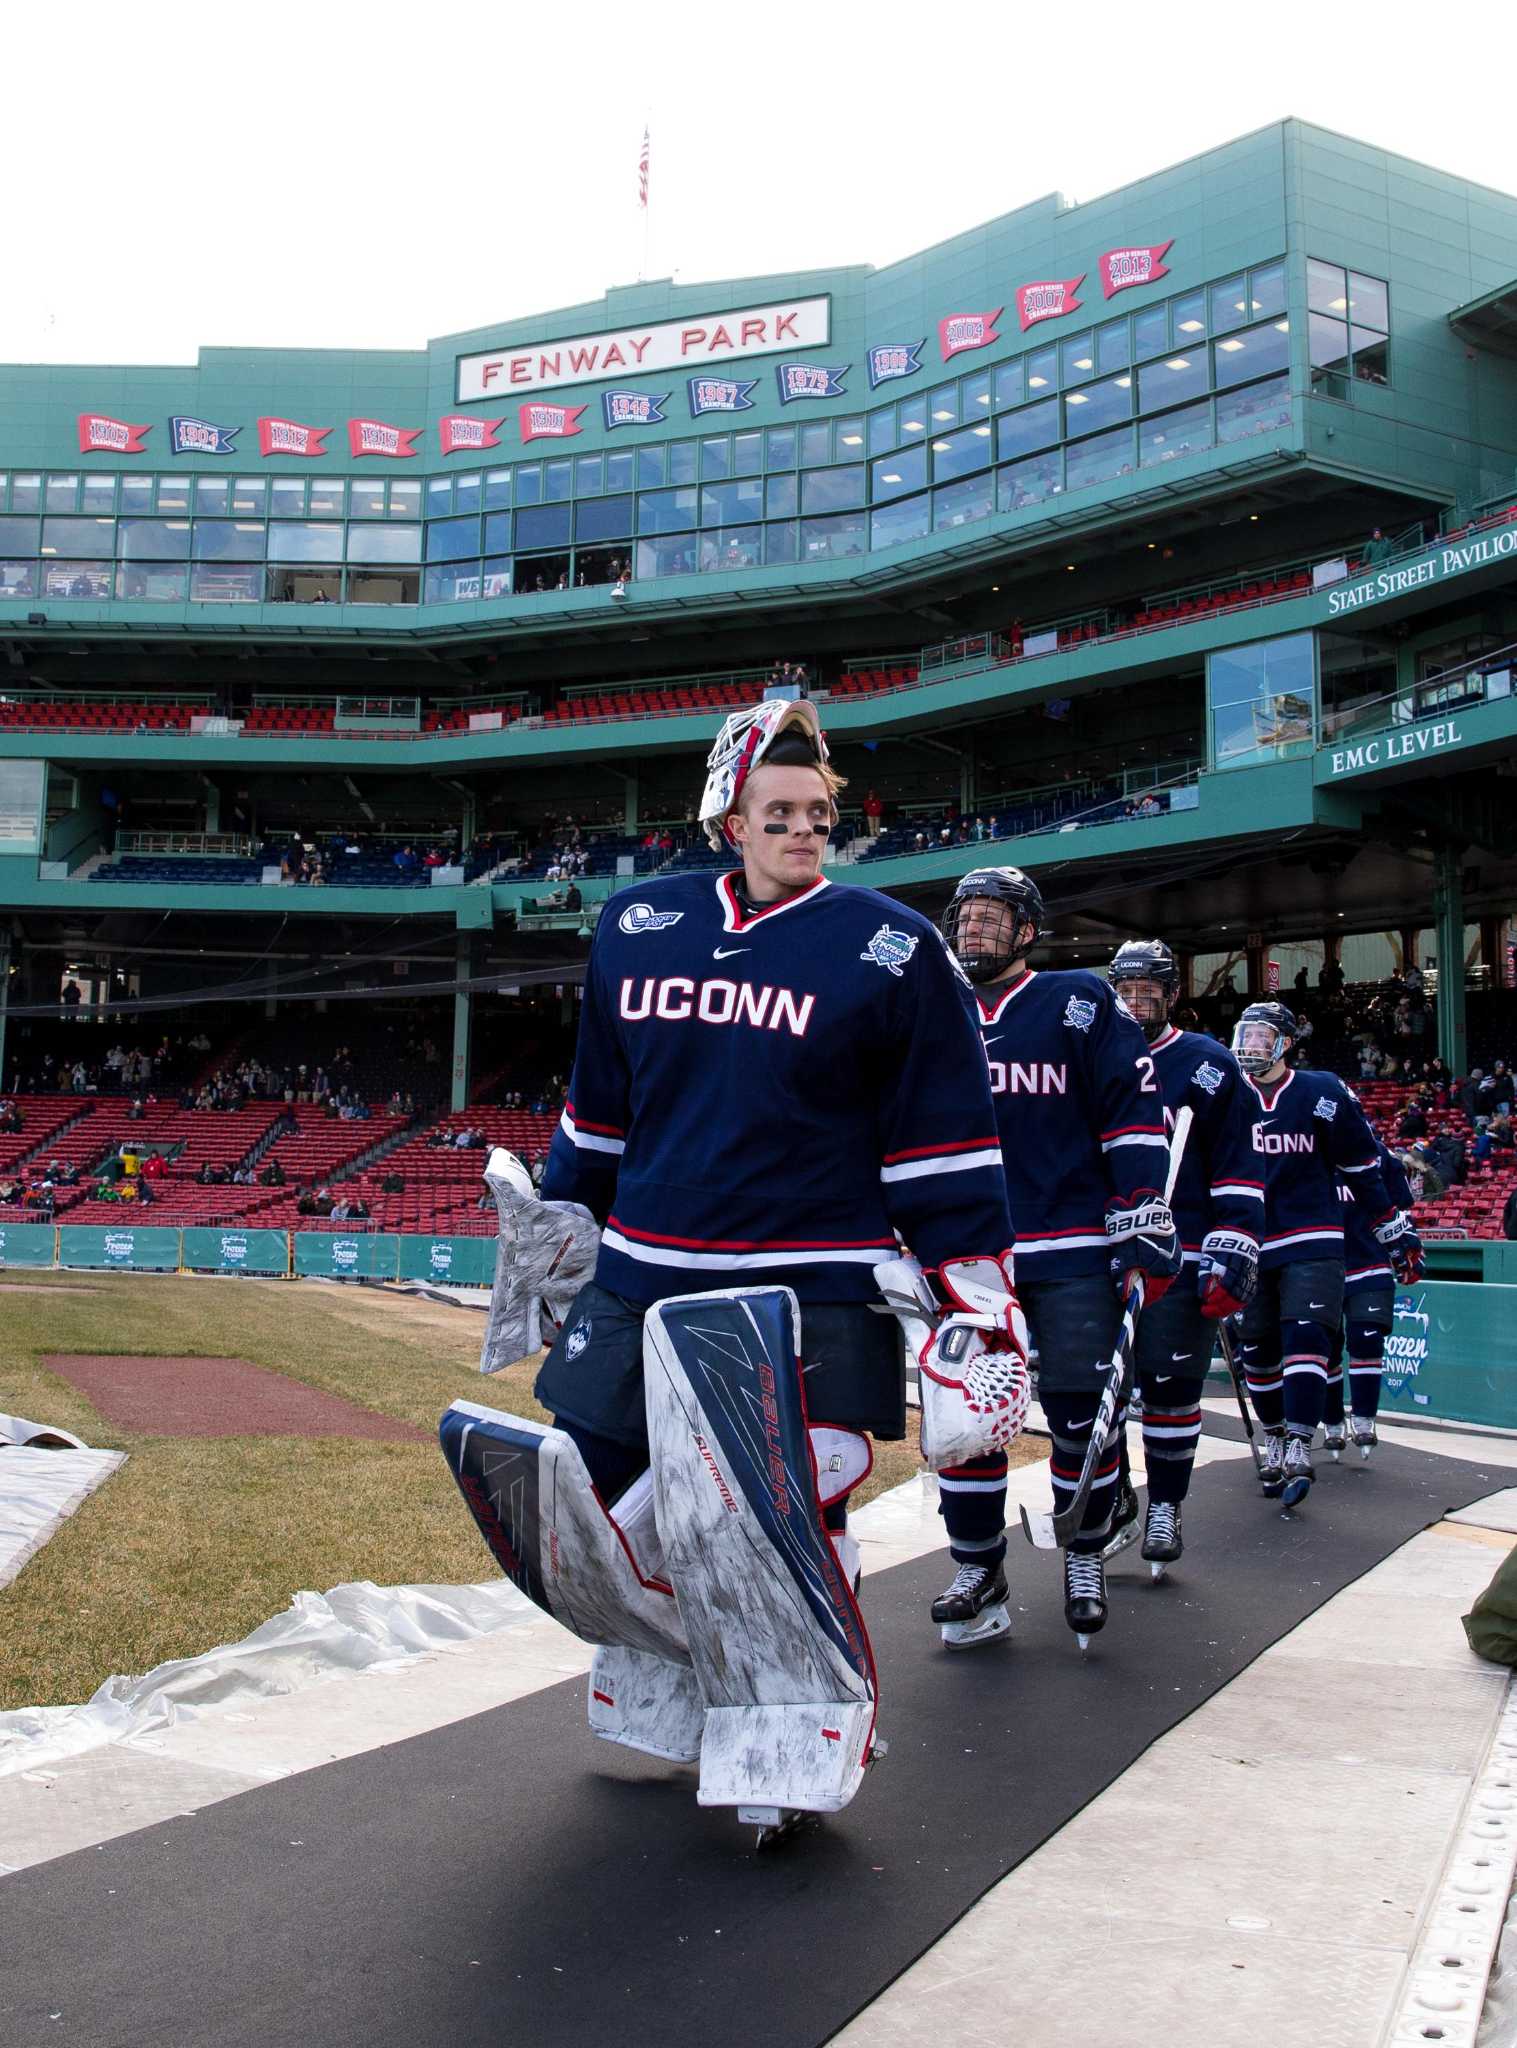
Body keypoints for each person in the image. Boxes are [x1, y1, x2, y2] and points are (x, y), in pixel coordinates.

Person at [444, 695, 1020, 1835]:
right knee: (578, 1492)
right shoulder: (635, 925)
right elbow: (601, 1115)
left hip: (809, 1281)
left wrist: (977, 1307)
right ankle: (667, 1676)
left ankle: (793, 1727)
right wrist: (558, 1213)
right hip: (643, 1265)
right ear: (726, 818)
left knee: (776, 1514)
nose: (804, 830)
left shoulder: (892, 949)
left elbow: (942, 1151)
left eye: (818, 813)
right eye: (780, 811)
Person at [932, 868, 1179, 1649]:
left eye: (990, 918)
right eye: (964, 916)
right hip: (968, 1253)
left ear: (1027, 931)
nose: (972, 928)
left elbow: (1131, 1111)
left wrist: (1140, 1208)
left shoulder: (1078, 1000)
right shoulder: (931, 1009)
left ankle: (1083, 1553)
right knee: (965, 1421)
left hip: (1071, 1244)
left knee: (1081, 1413)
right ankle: (978, 1563)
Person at [1106, 939, 1264, 1572]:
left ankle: (1165, 1505)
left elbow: (1237, 1161)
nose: (1136, 999)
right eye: (1127, 987)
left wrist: (1235, 1242)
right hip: (1103, 1251)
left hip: (1182, 1252)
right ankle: (1113, 1492)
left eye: (1150, 988)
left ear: (1173, 995)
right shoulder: (1093, 1055)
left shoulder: (1206, 1063)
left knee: (1171, 1388)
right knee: (1096, 1391)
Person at [1231, 1003, 1420, 1506]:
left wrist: (1393, 1230)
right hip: (1248, 1239)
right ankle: (1274, 1434)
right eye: (1245, 1035)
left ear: (1285, 1042)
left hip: (1312, 1237)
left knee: (1308, 1334)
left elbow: (1364, 1167)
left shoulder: (1323, 1091)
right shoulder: (1226, 1091)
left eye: (1261, 1036)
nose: (1249, 1044)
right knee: (1258, 1349)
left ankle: (1298, 1440)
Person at [1322, 1139, 1420, 1461]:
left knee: (1367, 1338)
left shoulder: (1380, 1155)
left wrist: (1409, 1244)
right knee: (1325, 1347)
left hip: (1370, 1260)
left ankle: (1364, 1417)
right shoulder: (1306, 1147)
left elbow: (1401, 1208)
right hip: (1319, 1262)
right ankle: (1332, 1419)